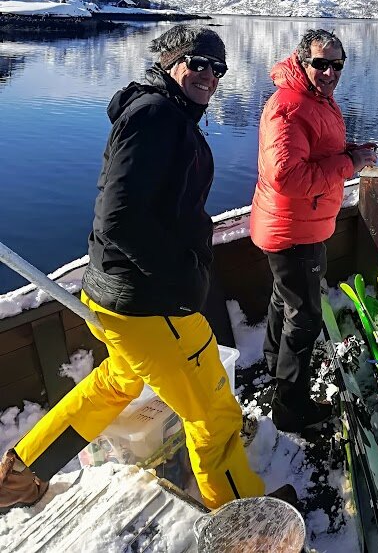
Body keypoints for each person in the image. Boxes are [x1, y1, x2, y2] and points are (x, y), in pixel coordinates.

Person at [0, 25, 284, 512]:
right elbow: (119, 220)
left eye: (218, 69)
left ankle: (19, 476)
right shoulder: (156, 116)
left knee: (116, 383)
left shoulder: (161, 113)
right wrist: (179, 282)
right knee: (214, 418)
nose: (209, 76)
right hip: (150, 306)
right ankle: (250, 526)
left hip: (115, 297)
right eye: (197, 63)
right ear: (172, 62)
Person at [250, 28, 378, 434]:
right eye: (320, 63)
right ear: (302, 61)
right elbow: (287, 176)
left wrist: (348, 153)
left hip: (297, 222)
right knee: (304, 317)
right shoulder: (289, 106)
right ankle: (290, 408)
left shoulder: (313, 99)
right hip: (294, 229)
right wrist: (348, 166)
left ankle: (274, 362)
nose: (329, 72)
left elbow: (314, 151)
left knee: (284, 299)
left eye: (336, 64)